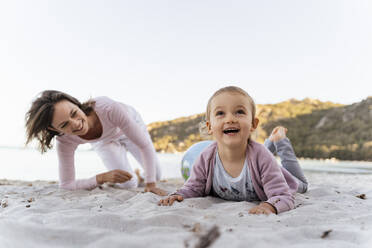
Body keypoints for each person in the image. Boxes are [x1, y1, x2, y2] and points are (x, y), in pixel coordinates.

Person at [158, 86, 308, 214]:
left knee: (302, 184)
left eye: (239, 112)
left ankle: (280, 141)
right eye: (220, 113)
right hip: (260, 160)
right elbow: (193, 187)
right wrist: (178, 195)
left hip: (285, 179)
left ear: (253, 124)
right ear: (210, 127)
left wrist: (270, 206)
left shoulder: (262, 157)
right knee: (261, 151)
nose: (230, 119)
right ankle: (271, 141)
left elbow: (283, 195)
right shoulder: (206, 158)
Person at [25, 90, 166, 195]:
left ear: (76, 104)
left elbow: (144, 145)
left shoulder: (108, 107)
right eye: (64, 125)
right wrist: (101, 178)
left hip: (128, 128)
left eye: (74, 113)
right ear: (53, 128)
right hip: (104, 141)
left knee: (156, 175)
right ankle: (136, 175)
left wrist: (151, 184)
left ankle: (142, 175)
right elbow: (66, 185)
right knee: (129, 184)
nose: (76, 124)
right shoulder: (65, 141)